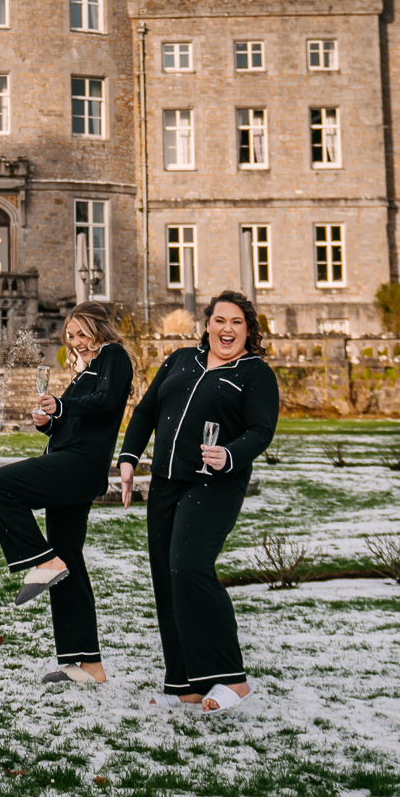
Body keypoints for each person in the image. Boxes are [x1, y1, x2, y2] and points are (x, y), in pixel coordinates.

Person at [117, 290, 278, 713]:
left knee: (190, 567)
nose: (227, 329)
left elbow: (261, 431)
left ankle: (232, 678)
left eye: (237, 322)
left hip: (215, 483)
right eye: (219, 320)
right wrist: (129, 459)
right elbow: (146, 411)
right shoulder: (180, 360)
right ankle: (185, 684)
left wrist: (230, 454)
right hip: (167, 483)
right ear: (207, 324)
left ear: (249, 329)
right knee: (166, 578)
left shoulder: (254, 372)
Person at [0, 302, 134, 685]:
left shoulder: (113, 356)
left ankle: (41, 561)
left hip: (81, 465)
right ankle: (86, 664)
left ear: (100, 329)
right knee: (70, 562)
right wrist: (49, 422)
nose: (77, 342)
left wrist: (62, 405)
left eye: (83, 333)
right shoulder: (83, 370)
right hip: (70, 457)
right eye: (71, 336)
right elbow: (76, 420)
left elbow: (107, 402)